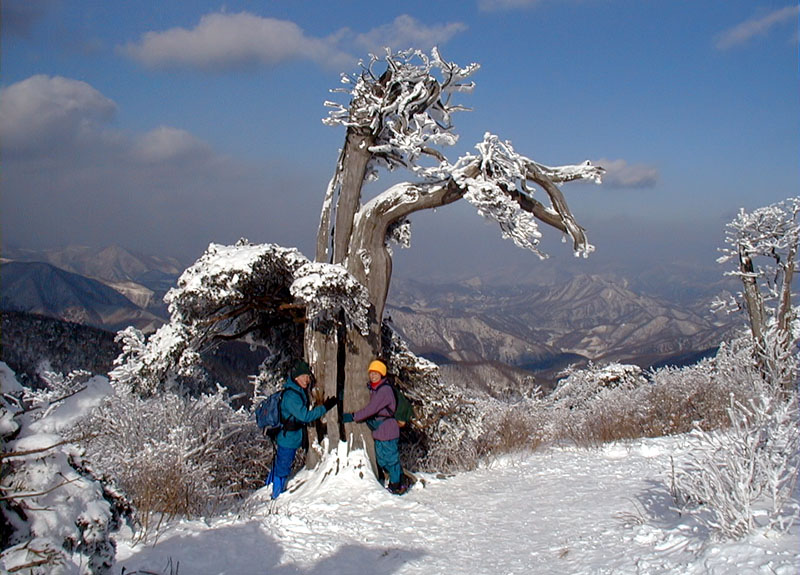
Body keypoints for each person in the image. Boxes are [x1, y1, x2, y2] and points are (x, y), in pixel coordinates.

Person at [266, 360, 337, 499]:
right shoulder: (292, 396)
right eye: (304, 376)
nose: (307, 379)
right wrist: (325, 407)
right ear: (296, 377)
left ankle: (270, 487)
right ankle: (275, 495)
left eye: (308, 376)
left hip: (291, 437)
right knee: (283, 467)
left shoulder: (297, 391)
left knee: (281, 463)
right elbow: (305, 416)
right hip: (288, 439)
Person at [342, 360, 408, 495]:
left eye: (376, 373)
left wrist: (353, 416)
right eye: (371, 373)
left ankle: (396, 485)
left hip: (388, 430)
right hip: (380, 431)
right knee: (382, 459)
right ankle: (400, 479)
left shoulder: (384, 391)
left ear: (382, 374)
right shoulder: (375, 389)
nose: (373, 376)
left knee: (390, 459)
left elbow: (371, 409)